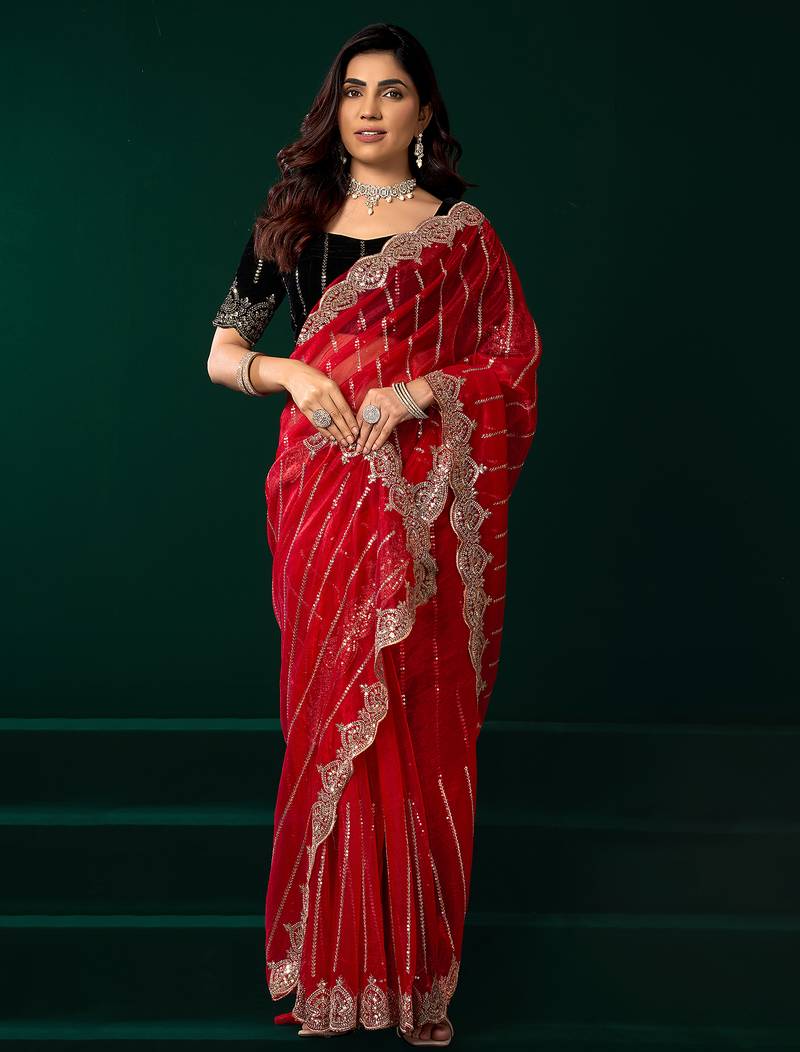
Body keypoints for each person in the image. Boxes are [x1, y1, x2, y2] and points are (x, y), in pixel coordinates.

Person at [207, 23, 542, 1046]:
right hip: (320, 495)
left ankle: (412, 979)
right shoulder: (291, 220)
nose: (368, 108)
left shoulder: (461, 234)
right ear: (334, 106)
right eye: (353, 90)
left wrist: (418, 391)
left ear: (423, 112)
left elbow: (510, 361)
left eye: (391, 91)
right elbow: (223, 350)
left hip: (421, 505)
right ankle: (332, 969)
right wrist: (292, 372)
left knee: (413, 712)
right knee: (333, 708)